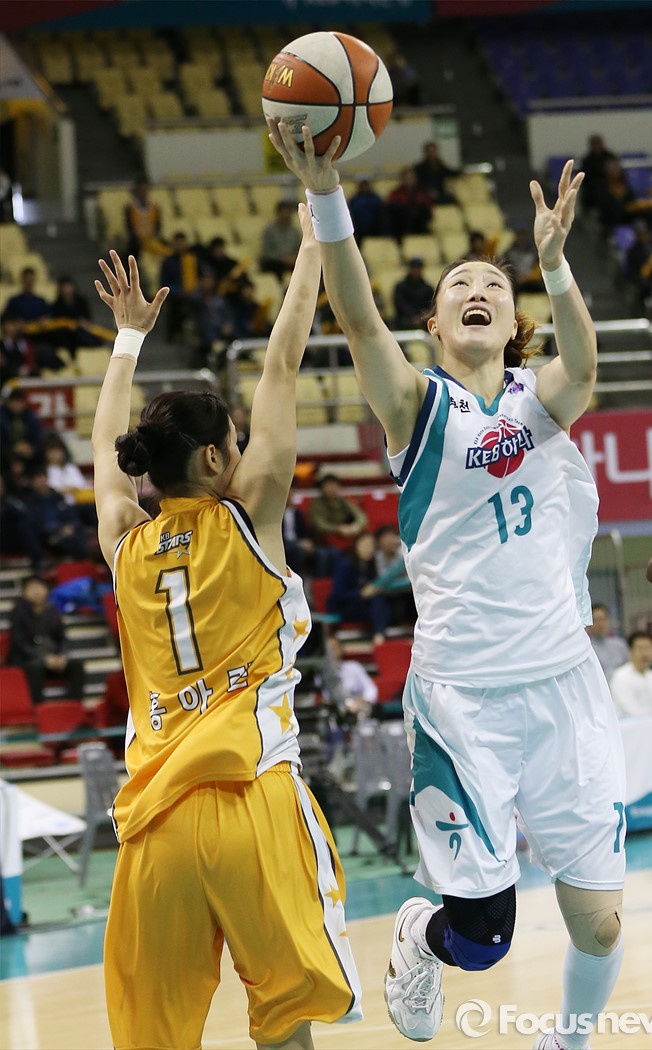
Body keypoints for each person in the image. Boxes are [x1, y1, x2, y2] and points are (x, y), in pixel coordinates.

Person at [269, 118, 625, 1050]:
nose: (477, 291)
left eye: (494, 287)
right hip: (463, 698)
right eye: (458, 286)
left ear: (515, 321)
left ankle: (568, 1044)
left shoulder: (544, 399)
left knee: (601, 926)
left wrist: (555, 264)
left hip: (563, 686)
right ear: (432, 325)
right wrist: (327, 196)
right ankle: (418, 935)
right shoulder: (417, 406)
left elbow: (586, 365)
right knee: (483, 940)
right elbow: (357, 316)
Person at [91, 218, 361, 1050]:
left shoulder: (124, 543)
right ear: (212, 460)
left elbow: (104, 451)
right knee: (284, 1021)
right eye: (235, 445)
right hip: (249, 796)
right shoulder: (251, 516)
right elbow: (281, 364)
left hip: (155, 828)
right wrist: (315, 236)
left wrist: (127, 341)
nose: (245, 454)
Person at [8, 575, 85, 704]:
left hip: (53, 658)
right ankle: (38, 707)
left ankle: (74, 705)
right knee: (35, 667)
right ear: (24, 592)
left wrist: (61, 656)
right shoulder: (17, 612)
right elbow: (19, 642)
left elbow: (62, 638)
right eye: (32, 588)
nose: (37, 592)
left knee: (77, 665)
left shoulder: (52, 610)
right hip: (29, 659)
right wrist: (44, 658)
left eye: (40, 587)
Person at [610, 632, 652, 719]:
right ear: (631, 651)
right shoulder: (621, 677)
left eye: (649, 648)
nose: (645, 653)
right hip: (630, 726)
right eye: (640, 648)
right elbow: (631, 711)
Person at [307, 473, 367, 550]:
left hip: (346, 536)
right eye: (328, 486)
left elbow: (361, 516)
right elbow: (319, 524)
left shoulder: (344, 501)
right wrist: (338, 528)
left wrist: (356, 526)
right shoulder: (316, 504)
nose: (332, 489)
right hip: (324, 541)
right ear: (322, 488)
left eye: (334, 486)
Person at [587, 603, 630, 683]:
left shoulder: (620, 645)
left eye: (603, 619)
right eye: (596, 620)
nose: (600, 624)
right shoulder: (587, 648)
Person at [260, 200, 302, 280]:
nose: (286, 216)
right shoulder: (269, 230)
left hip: (292, 261)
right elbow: (267, 252)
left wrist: (293, 258)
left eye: (288, 214)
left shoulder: (295, 231)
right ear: (278, 214)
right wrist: (282, 259)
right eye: (284, 214)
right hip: (275, 261)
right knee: (271, 264)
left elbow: (299, 248)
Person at [387, 168, 433, 240]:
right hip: (401, 226)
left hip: (419, 225)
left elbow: (428, 208)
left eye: (412, 178)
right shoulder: (395, 194)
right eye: (407, 178)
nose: (409, 180)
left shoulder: (423, 192)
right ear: (402, 179)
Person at [579, 134, 618, 213]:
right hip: (593, 190)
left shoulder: (610, 157)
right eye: (595, 144)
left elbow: (617, 174)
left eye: (598, 143)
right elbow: (586, 180)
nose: (597, 146)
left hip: (611, 187)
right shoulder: (587, 160)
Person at [393, 257, 434, 329]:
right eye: (414, 268)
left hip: (423, 320)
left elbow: (430, 306)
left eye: (419, 268)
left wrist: (421, 317)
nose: (416, 270)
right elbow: (399, 304)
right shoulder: (401, 287)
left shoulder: (427, 288)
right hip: (405, 319)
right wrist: (412, 316)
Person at [348, 178, 389, 243]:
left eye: (366, 184)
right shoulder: (353, 201)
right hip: (358, 232)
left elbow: (382, 217)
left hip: (375, 231)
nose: (364, 187)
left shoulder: (377, 199)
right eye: (362, 185)